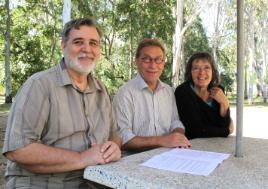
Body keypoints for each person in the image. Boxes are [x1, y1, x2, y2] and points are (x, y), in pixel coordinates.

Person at [2, 18, 121, 189]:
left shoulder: (101, 90)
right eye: (78, 42)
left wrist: (113, 148)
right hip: (41, 183)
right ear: (63, 46)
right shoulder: (39, 85)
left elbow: (114, 136)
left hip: (94, 181)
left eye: (93, 43)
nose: (87, 49)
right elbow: (19, 150)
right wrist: (82, 158)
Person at [112, 38, 191, 152]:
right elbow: (123, 138)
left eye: (158, 60)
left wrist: (177, 137)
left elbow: (175, 122)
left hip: (168, 155)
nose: (153, 65)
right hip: (135, 161)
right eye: (146, 59)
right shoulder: (125, 94)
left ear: (163, 63)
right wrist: (162, 140)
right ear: (137, 61)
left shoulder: (169, 91)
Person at [175, 52, 234, 139]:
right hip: (192, 146)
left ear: (213, 72)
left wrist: (224, 103)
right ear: (190, 72)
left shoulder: (218, 90)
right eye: (196, 68)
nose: (202, 72)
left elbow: (224, 124)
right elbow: (195, 130)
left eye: (206, 67)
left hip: (217, 145)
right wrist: (226, 131)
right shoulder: (183, 91)